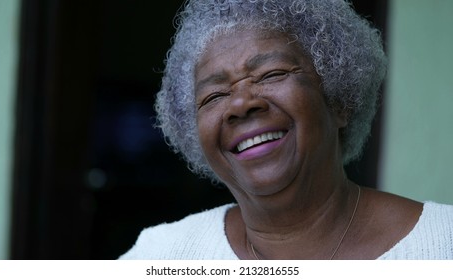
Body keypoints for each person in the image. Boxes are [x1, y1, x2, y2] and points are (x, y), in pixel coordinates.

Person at [119, 0, 453, 259]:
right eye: (215, 95)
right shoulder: (162, 255)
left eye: (271, 74)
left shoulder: (443, 245)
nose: (240, 104)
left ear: (340, 101)